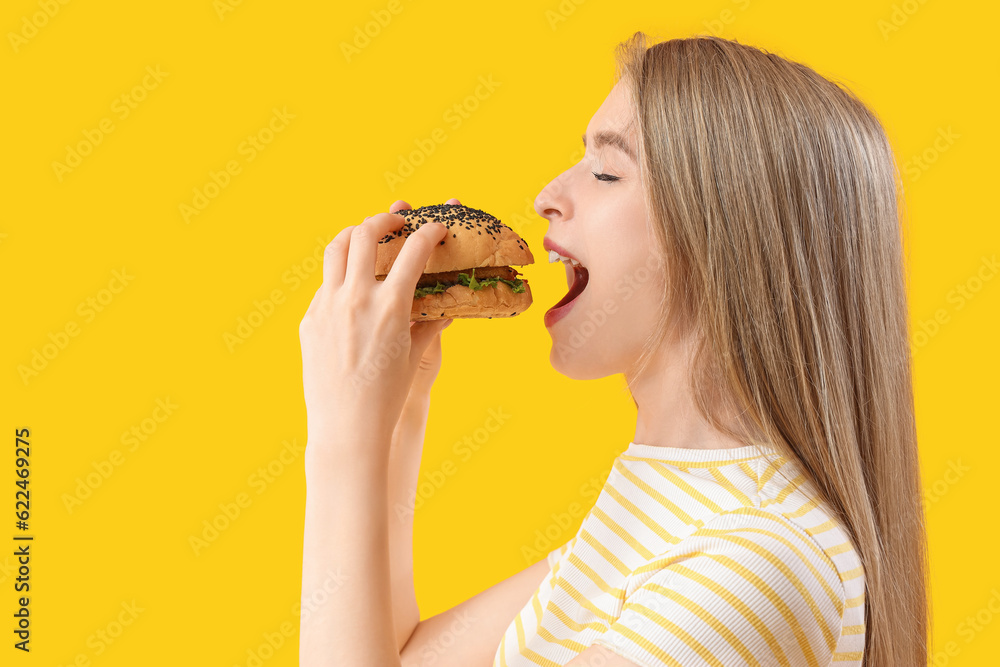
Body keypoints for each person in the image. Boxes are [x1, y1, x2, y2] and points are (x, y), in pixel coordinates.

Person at [297, 32, 928, 667]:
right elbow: (400, 659)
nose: (547, 195)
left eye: (607, 171)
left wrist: (340, 435)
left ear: (726, 242)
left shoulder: (755, 563)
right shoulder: (670, 506)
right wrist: (400, 406)